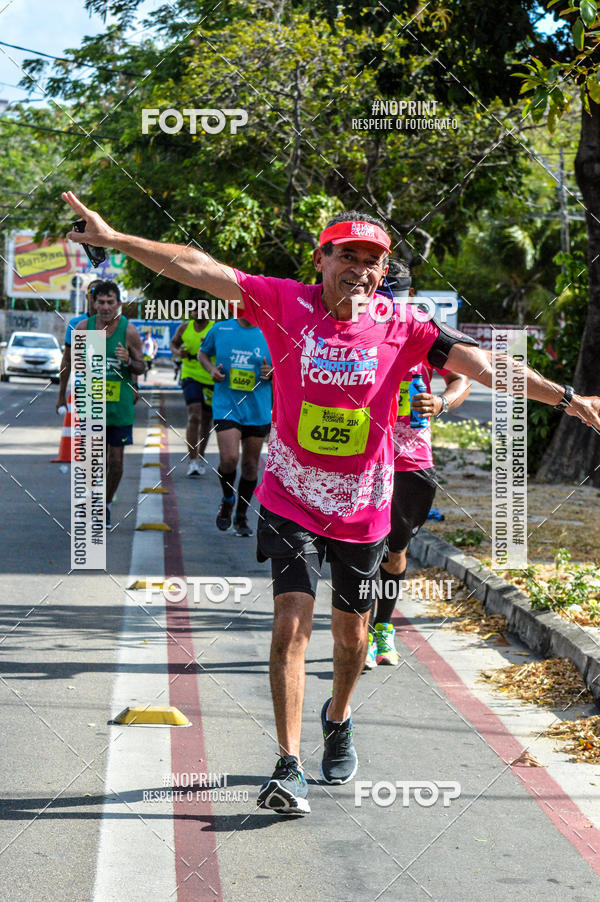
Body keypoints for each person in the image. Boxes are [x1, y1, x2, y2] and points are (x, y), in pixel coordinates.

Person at [62, 192, 600, 818]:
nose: (361, 270)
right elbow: (198, 267)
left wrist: (568, 397)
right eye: (347, 255)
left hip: (363, 505)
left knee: (351, 638)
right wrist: (118, 237)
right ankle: (288, 764)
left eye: (372, 261)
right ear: (320, 259)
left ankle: (338, 715)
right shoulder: (283, 300)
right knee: (291, 620)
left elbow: (481, 365)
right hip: (289, 494)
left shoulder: (406, 325)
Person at [365, 261, 471, 668]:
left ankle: (383, 629)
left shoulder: (423, 333)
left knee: (394, 552)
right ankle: (356, 633)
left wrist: (442, 402)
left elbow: (463, 377)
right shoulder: (351, 330)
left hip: (410, 460)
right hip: (359, 459)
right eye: (381, 295)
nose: (386, 303)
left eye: (395, 295)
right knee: (360, 551)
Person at [73, 280, 145, 528]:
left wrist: (128, 362)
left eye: (110, 302)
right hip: (93, 407)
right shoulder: (85, 328)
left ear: (118, 304)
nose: (105, 307)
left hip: (120, 408)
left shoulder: (129, 331)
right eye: (101, 302)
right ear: (94, 303)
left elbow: (142, 366)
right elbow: (77, 366)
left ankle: (105, 503)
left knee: (115, 462)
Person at [198, 316, 272, 537]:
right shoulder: (221, 328)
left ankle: (241, 515)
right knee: (229, 459)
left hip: (257, 408)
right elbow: (202, 353)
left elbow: (287, 363)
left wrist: (272, 371)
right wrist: (211, 369)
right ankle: (228, 499)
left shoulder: (270, 330)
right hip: (226, 405)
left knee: (250, 466)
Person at [170, 302, 215, 476]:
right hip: (189, 374)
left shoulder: (215, 329)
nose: (198, 312)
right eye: (195, 309)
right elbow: (173, 344)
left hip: (210, 375)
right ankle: (193, 459)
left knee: (206, 418)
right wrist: (177, 352)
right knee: (194, 414)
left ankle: (200, 455)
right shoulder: (184, 328)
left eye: (203, 308)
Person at [56, 279, 101, 414]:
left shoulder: (117, 324)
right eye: (93, 291)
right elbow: (67, 360)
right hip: (84, 391)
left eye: (101, 292)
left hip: (111, 393)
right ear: (87, 296)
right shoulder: (76, 324)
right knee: (87, 433)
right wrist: (61, 395)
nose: (97, 295)